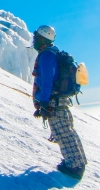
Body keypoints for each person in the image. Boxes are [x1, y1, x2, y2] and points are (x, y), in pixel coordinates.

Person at [31, 25, 87, 179]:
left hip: (53, 101)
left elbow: (47, 79)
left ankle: (75, 167)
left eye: (36, 37)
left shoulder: (46, 55)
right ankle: (79, 161)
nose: (34, 40)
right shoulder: (53, 53)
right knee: (67, 130)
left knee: (62, 132)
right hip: (59, 99)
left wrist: (43, 102)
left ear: (42, 38)